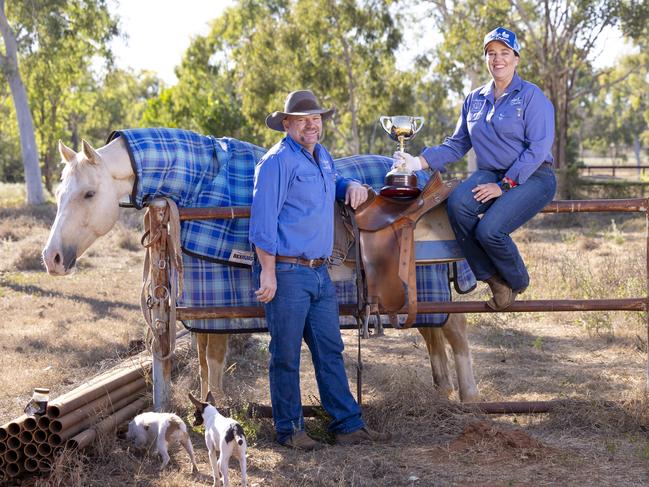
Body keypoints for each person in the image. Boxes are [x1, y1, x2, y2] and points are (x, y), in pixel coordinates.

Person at [249, 89, 390, 450]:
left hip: (318, 273)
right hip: (287, 271)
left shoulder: (321, 155)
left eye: (316, 118)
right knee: (286, 355)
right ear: (287, 123)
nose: (312, 124)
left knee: (330, 349)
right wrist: (267, 272)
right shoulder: (277, 162)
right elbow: (263, 222)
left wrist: (351, 186)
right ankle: (290, 431)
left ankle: (347, 425)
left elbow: (333, 182)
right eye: (302, 119)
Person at [394, 27, 556, 310]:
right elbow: (457, 144)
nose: (498, 59)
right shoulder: (474, 99)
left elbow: (537, 149)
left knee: (490, 230)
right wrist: (417, 162)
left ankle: (517, 281)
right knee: (457, 203)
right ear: (485, 59)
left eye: (505, 53)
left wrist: (504, 185)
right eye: (491, 53)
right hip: (489, 172)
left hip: (532, 175)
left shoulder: (531, 96)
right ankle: (493, 279)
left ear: (516, 58)